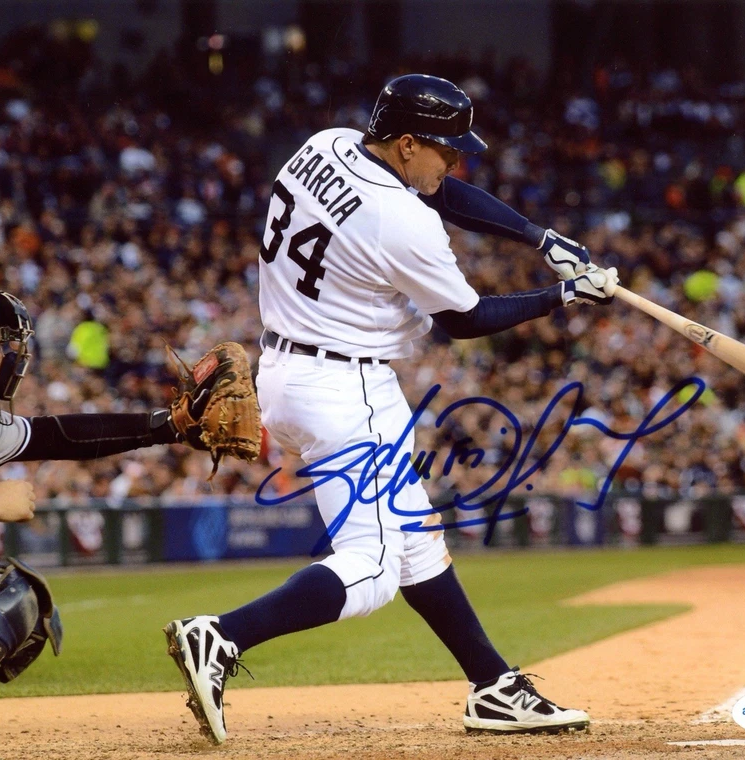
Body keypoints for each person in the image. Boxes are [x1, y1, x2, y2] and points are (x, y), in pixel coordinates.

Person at [165, 74, 618, 742]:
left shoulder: (327, 144)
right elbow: (464, 319)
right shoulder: (401, 221)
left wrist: (537, 237)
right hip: (347, 387)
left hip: (286, 371)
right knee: (373, 569)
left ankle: (493, 686)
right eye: (446, 150)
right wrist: (563, 296)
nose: (454, 164)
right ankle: (223, 635)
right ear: (407, 143)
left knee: (415, 540)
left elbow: (439, 191)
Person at [0, 276, 198, 760]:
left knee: (22, 610)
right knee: (6, 594)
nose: (11, 359)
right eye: (2, 346)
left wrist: (170, 425)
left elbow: (59, 435)